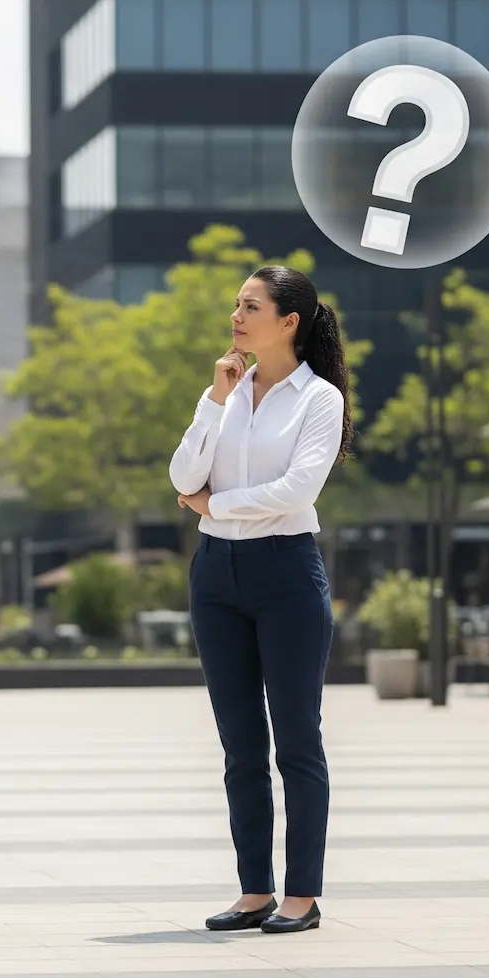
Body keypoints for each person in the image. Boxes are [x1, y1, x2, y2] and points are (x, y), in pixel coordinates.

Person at [168, 265, 351, 936]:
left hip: (286, 574)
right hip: (216, 575)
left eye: (251, 305)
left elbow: (297, 490)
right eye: (236, 304)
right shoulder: (226, 391)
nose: (237, 316)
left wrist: (217, 506)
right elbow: (182, 475)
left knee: (296, 740)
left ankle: (301, 893)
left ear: (288, 321)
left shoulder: (319, 400)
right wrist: (213, 404)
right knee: (240, 744)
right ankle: (254, 890)